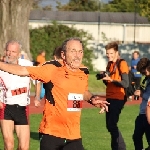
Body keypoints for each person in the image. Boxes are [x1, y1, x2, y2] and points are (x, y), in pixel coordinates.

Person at [0, 37, 109, 150]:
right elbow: (23, 70)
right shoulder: (52, 68)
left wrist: (92, 98)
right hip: (51, 135)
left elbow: (83, 91)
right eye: (73, 51)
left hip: (74, 136)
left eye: (80, 51)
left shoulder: (84, 71)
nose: (77, 55)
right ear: (63, 54)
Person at [0, 40, 34, 150]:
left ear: (19, 53)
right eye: (8, 51)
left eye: (13, 51)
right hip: (6, 107)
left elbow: (38, 80)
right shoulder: (1, 67)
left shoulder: (27, 65)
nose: (10, 54)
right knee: (9, 144)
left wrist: (38, 96)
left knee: (24, 147)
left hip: (22, 108)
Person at [100, 41, 129, 150]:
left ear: (116, 52)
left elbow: (125, 83)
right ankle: (116, 147)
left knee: (112, 125)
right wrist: (105, 78)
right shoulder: (110, 64)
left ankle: (121, 148)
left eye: (111, 53)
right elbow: (109, 82)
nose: (109, 56)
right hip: (110, 97)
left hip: (118, 98)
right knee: (109, 125)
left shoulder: (122, 63)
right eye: (107, 53)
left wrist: (111, 79)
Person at [133, 58, 150, 150]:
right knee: (136, 137)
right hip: (142, 113)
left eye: (144, 71)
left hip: (148, 114)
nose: (143, 73)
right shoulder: (147, 79)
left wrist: (142, 94)